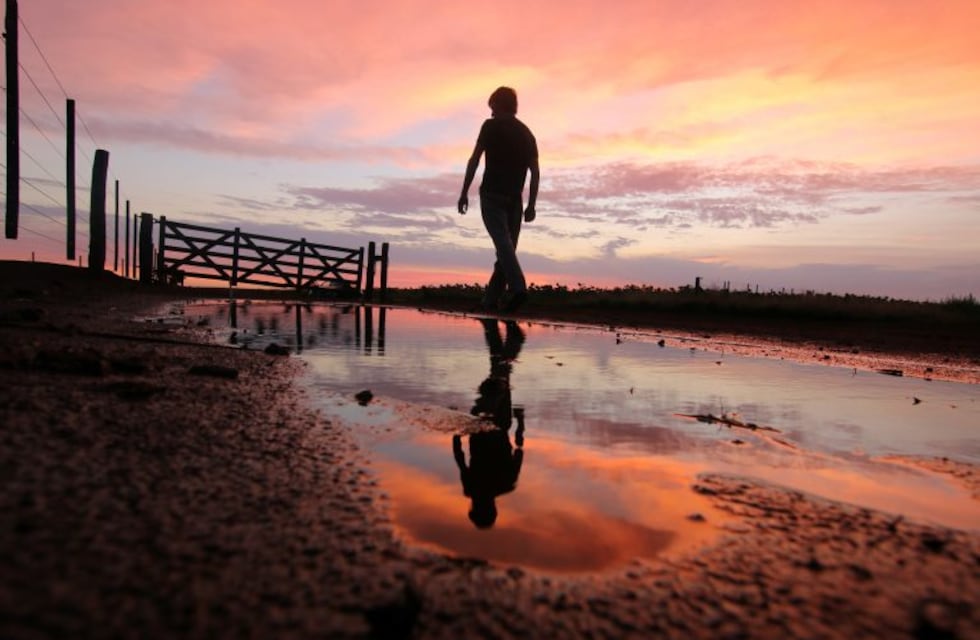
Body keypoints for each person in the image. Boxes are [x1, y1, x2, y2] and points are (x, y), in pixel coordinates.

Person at [458, 86, 539, 313]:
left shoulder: (490, 126)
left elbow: (474, 159)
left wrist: (464, 192)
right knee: (506, 249)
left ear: (498, 104)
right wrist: (531, 204)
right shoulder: (527, 133)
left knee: (504, 247)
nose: (491, 112)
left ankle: (518, 288)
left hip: (493, 196)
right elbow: (536, 172)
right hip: (515, 201)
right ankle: (490, 301)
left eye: (492, 106)